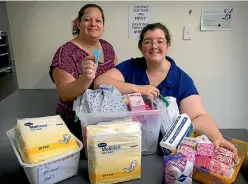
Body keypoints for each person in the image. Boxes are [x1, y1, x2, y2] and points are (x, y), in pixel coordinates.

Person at [94, 22, 238, 157]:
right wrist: (138, 89)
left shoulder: (181, 79)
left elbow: (199, 116)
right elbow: (100, 82)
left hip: (166, 153)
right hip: (127, 146)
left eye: (160, 41)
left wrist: (217, 137)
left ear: (167, 45)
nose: (154, 46)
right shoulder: (130, 67)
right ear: (140, 47)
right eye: (147, 41)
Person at [49, 4, 117, 140]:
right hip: (75, 123)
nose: (93, 24)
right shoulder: (66, 53)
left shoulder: (107, 47)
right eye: (87, 19)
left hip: (104, 118)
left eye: (98, 20)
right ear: (78, 23)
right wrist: (86, 78)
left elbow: (115, 75)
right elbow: (65, 94)